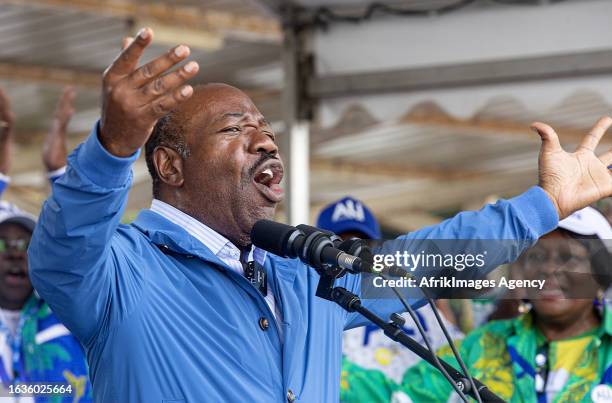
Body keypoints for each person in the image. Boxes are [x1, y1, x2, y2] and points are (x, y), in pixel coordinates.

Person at [27, 27, 612, 402]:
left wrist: (545, 207)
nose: (265, 143)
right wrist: (110, 149)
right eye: (235, 129)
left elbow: (430, 263)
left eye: (266, 129)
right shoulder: (121, 271)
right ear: (170, 167)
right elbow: (63, 247)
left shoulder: (304, 272)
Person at [341, 207, 612, 403]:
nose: (549, 269)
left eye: (569, 258)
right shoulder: (480, 346)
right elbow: (403, 397)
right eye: (537, 257)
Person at [0, 86, 92, 402]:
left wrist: (58, 169)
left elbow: (83, 238)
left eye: (26, 246)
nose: (15, 255)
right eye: (3, 246)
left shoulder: (67, 309)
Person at [317, 196, 463, 384]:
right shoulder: (320, 305)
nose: (351, 257)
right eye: (341, 245)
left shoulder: (407, 293)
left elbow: (456, 350)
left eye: (362, 245)